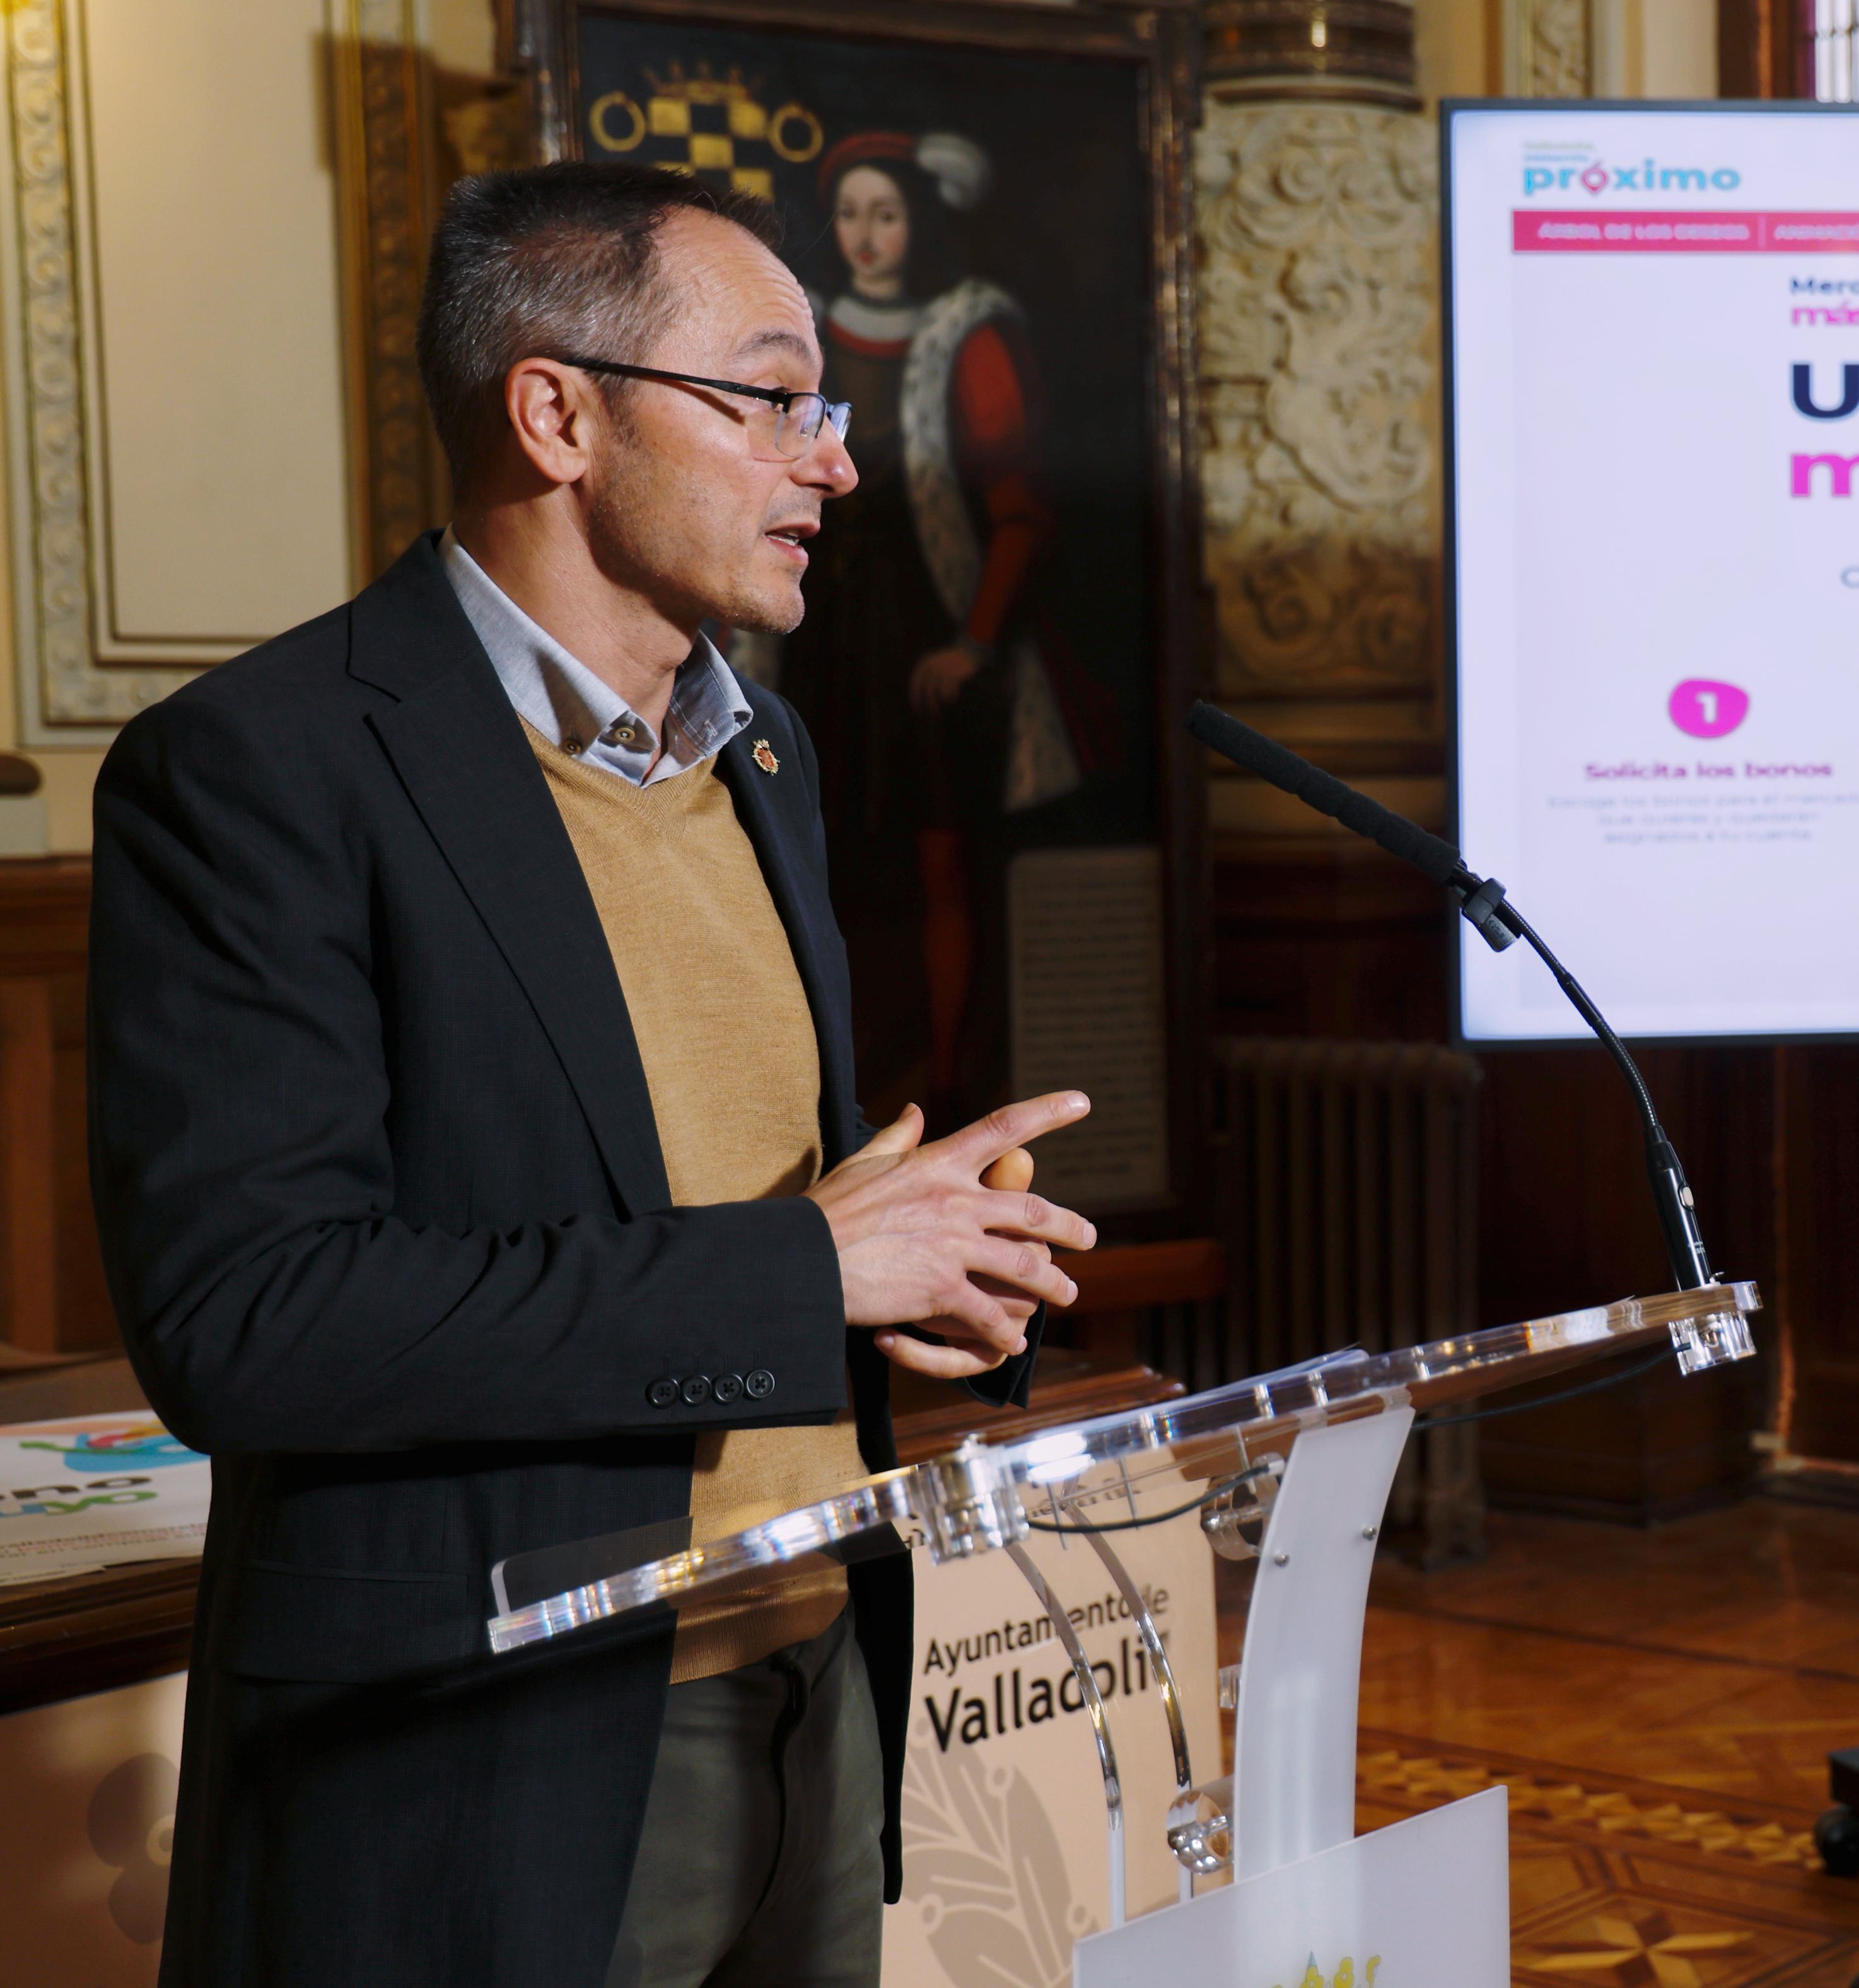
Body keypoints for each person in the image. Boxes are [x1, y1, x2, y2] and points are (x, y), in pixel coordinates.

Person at [88, 161, 1097, 1987]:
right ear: (556, 414)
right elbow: (250, 1318)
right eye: (771, 399)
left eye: (827, 410)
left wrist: (928, 1281)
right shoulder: (259, 768)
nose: (832, 464)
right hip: (496, 1742)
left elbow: (739, 1222)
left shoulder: (767, 752)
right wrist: (811, 1269)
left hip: (817, 1671)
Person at [774, 129, 1115, 1126]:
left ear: (919, 222)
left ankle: (952, 1085)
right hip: (824, 636)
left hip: (929, 642)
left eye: (886, 214)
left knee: (941, 862)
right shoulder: (804, 328)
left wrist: (971, 643)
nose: (865, 234)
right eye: (849, 213)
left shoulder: (970, 332)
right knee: (822, 860)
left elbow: (1020, 510)